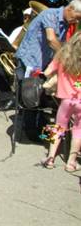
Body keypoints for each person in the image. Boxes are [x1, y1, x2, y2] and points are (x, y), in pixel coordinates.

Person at [40, 31, 81, 172]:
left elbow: (46, 72)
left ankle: (50, 158)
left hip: (65, 100)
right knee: (78, 131)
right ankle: (71, 162)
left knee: (57, 127)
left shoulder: (63, 55)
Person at [16, 0, 81, 77]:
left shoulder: (66, 24)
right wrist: (67, 57)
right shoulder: (50, 14)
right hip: (27, 61)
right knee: (21, 88)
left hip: (38, 66)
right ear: (70, 8)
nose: (77, 21)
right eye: (77, 17)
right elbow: (51, 39)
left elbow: (61, 45)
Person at [0, 8, 32, 110]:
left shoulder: (38, 31)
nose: (26, 20)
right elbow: (10, 43)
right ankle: (8, 97)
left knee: (21, 75)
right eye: (25, 17)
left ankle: (22, 101)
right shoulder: (18, 30)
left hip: (28, 61)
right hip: (14, 59)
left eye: (29, 18)